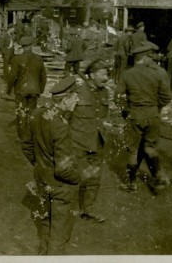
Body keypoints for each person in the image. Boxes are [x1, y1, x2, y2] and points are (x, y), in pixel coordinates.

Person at [21, 76, 81, 255]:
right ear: (65, 99)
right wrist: (79, 178)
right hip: (60, 187)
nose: (77, 100)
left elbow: (26, 146)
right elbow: (63, 169)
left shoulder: (37, 114)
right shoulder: (61, 126)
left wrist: (40, 163)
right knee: (59, 232)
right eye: (74, 97)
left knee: (45, 222)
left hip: (41, 181)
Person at [115, 41, 172, 193]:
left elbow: (118, 97)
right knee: (150, 147)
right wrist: (156, 108)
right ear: (145, 57)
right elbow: (167, 97)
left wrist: (126, 111)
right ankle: (159, 176)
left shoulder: (127, 74)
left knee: (132, 151)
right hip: (153, 115)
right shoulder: (158, 72)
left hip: (134, 115)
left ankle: (131, 184)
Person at [71, 59, 110, 223]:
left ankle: (88, 209)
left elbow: (102, 116)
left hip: (97, 141)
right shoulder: (77, 90)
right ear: (92, 75)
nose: (106, 77)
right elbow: (64, 115)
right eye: (102, 74)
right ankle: (70, 208)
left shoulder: (105, 93)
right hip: (77, 141)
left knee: (94, 177)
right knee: (75, 176)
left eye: (107, 74)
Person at [6, 36, 47, 143]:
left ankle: (23, 137)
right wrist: (40, 90)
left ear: (22, 47)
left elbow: (12, 76)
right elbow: (43, 76)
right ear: (31, 45)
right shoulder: (38, 59)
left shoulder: (17, 59)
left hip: (21, 91)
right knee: (32, 113)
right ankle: (31, 136)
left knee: (21, 112)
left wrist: (9, 89)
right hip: (34, 91)